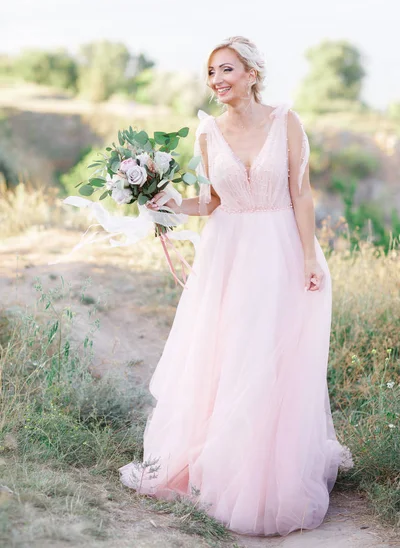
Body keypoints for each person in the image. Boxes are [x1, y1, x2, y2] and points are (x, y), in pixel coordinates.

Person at [119, 36, 352, 537]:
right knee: (229, 357)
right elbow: (210, 203)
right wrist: (162, 200)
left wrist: (311, 257)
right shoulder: (207, 133)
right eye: (211, 73)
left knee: (274, 357)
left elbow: (302, 194)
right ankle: (224, 465)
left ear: (251, 73)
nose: (217, 80)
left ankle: (269, 474)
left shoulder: (285, 121)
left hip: (281, 249)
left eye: (226, 69)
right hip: (228, 257)